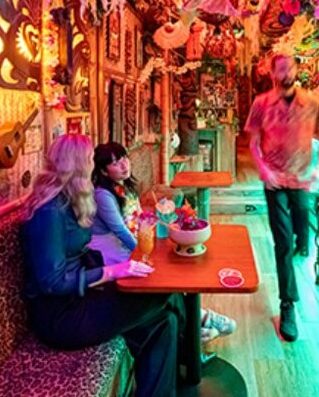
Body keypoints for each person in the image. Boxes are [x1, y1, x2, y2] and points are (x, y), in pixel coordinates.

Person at [21, 134, 182, 397]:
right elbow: (52, 282)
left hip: (82, 297)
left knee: (165, 322)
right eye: (87, 160)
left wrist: (109, 272)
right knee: (163, 297)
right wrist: (111, 273)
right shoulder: (49, 210)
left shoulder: (68, 200)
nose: (91, 165)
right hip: (61, 317)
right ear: (75, 165)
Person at [90, 141, 237, 343]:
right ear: (104, 171)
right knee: (162, 275)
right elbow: (120, 230)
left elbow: (137, 217)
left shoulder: (124, 187)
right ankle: (199, 323)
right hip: (112, 254)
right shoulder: (103, 195)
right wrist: (143, 251)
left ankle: (195, 325)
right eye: (115, 163)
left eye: (124, 158)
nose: (124, 165)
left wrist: (157, 220)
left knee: (172, 269)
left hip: (130, 244)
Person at [245, 54, 319, 342]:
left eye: (290, 68)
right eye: (281, 69)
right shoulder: (261, 104)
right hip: (274, 182)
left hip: (302, 180)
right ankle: (288, 304)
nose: (286, 73)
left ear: (296, 70)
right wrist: (263, 170)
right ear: (272, 73)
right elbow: (253, 142)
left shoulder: (312, 103)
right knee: (282, 242)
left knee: (301, 236)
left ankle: (302, 246)